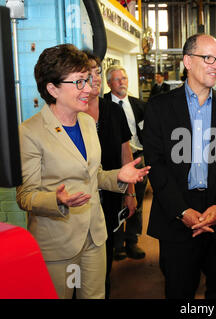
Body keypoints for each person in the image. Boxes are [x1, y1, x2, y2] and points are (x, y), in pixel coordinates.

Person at [16, 44, 150, 299]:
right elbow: (26, 196)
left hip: (95, 236)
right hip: (58, 244)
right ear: (52, 88)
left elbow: (94, 174)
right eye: (79, 82)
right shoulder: (30, 133)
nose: (89, 88)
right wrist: (57, 199)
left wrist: (118, 177)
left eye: (87, 80)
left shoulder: (87, 123)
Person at [143, 34, 216, 299]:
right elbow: (156, 165)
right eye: (209, 58)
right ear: (188, 61)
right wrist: (182, 210)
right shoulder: (159, 107)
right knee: (179, 290)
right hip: (176, 215)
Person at [83, 51, 135, 299]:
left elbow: (126, 153)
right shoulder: (73, 114)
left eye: (98, 72)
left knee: (104, 259)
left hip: (111, 197)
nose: (95, 78)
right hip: (80, 203)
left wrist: (130, 193)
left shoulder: (113, 112)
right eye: (88, 72)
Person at [104, 65, 147, 260]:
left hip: (137, 158)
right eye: (117, 79)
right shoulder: (102, 105)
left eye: (124, 78)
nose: (122, 82)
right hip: (113, 163)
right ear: (108, 83)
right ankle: (117, 243)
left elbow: (147, 133)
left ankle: (132, 241)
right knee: (116, 202)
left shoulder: (139, 105)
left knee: (136, 202)